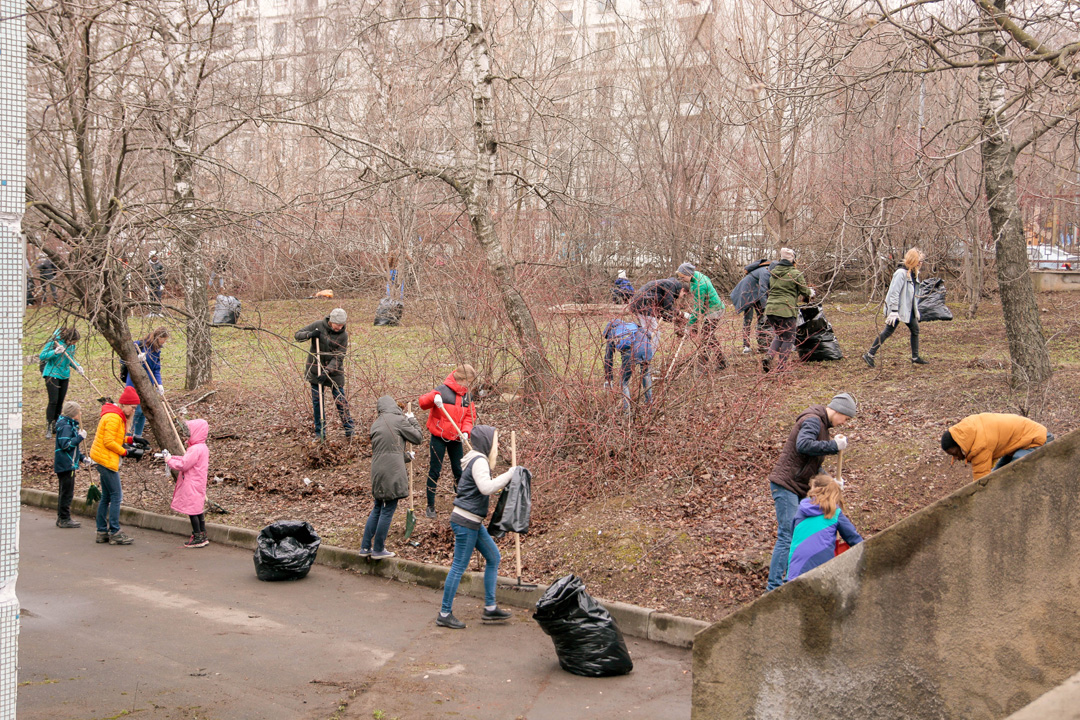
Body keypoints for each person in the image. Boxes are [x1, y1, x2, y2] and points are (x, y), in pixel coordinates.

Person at [766, 392, 857, 591]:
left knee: (800, 534)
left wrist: (831, 483)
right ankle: (773, 589)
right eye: (846, 418)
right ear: (838, 410)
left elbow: (812, 466)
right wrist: (834, 446)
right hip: (787, 484)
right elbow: (804, 445)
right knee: (787, 534)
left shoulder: (822, 426)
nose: (844, 422)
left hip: (799, 485)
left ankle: (793, 581)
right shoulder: (813, 420)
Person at [437, 425, 519, 630]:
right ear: (487, 442)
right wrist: (510, 474)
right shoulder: (480, 461)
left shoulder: (475, 459)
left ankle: (490, 607)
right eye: (495, 440)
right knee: (458, 567)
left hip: (471, 521)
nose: (498, 444)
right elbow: (486, 487)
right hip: (465, 522)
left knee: (493, 557)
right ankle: (444, 613)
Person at [362, 396, 424, 559]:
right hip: (392, 471)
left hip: (377, 470)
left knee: (377, 507)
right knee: (388, 509)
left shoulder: (376, 423)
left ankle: (365, 547)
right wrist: (412, 420)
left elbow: (386, 451)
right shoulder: (398, 420)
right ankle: (378, 549)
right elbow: (418, 438)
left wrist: (405, 456)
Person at [89, 386, 147, 545]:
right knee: (116, 496)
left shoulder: (115, 415)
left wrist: (133, 440)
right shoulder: (114, 417)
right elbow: (109, 442)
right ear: (125, 404)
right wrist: (126, 452)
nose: (133, 411)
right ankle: (115, 531)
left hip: (102, 459)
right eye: (132, 407)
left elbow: (116, 437)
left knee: (107, 496)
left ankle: (101, 531)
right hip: (106, 461)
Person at [418, 365, 477, 518]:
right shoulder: (442, 391)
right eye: (468, 382)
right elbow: (422, 403)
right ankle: (430, 505)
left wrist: (466, 430)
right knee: (435, 470)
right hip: (439, 436)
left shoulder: (467, 397)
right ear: (461, 379)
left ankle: (463, 501)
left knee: (459, 470)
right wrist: (433, 398)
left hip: (456, 437)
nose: (469, 386)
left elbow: (470, 416)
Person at [786, 473, 863, 583]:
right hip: (821, 571)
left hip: (795, 570)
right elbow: (854, 538)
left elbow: (793, 534)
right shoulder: (835, 513)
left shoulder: (800, 510)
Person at [294, 308, 355, 439]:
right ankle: (320, 433)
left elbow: (339, 356)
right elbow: (297, 335)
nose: (339, 327)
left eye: (341, 325)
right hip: (316, 369)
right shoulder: (317, 326)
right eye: (337, 325)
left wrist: (327, 371)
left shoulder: (343, 335)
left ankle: (349, 429)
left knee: (340, 399)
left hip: (334, 372)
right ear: (331, 321)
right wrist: (310, 335)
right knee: (317, 402)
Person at [863, 248, 928, 367]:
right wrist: (893, 311)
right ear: (913, 260)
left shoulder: (913, 273)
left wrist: (916, 309)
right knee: (888, 331)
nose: (921, 263)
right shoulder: (901, 273)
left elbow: (912, 295)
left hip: (908, 309)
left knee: (915, 330)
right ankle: (869, 354)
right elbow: (894, 292)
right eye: (919, 260)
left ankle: (915, 357)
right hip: (898, 310)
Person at [941, 413, 1052, 481]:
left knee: (1016, 468)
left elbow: (981, 481)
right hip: (1018, 444)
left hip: (1036, 439)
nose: (956, 458)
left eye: (955, 454)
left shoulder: (979, 446)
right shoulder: (968, 430)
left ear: (960, 444)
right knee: (997, 474)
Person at [763, 247, 813, 373]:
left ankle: (769, 356)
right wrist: (811, 292)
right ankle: (781, 367)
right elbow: (804, 291)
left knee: (780, 335)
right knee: (789, 338)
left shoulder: (773, 272)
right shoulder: (795, 274)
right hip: (786, 309)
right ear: (793, 260)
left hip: (770, 309)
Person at [163, 419, 211, 549]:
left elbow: (184, 464)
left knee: (192, 510)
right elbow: (186, 460)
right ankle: (203, 534)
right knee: (198, 509)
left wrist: (169, 461)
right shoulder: (202, 447)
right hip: (199, 482)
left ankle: (198, 536)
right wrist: (173, 457)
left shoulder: (194, 449)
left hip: (191, 482)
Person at [675, 262, 727, 371]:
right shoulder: (697, 276)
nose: (682, 280)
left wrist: (689, 324)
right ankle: (722, 362)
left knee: (706, 338)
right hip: (710, 310)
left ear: (689, 274)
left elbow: (699, 309)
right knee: (709, 337)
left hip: (714, 311)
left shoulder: (700, 285)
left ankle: (703, 366)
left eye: (683, 277)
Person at [124, 327, 169, 439]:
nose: (163, 342)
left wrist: (159, 384)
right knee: (136, 410)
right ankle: (127, 435)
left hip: (147, 385)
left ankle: (137, 436)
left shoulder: (157, 351)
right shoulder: (139, 345)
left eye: (165, 340)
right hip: (134, 384)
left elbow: (156, 369)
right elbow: (124, 360)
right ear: (156, 337)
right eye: (161, 340)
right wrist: (136, 359)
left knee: (144, 411)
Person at [602, 318, 655, 410]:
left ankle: (627, 412)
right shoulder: (633, 325)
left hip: (631, 353)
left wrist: (609, 379)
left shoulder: (612, 333)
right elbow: (649, 335)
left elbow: (608, 358)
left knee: (624, 382)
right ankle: (650, 404)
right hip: (647, 348)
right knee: (646, 375)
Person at [40, 326, 82, 438]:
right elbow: (42, 356)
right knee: (53, 400)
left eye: (75, 343)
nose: (73, 344)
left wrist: (77, 367)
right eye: (72, 342)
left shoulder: (71, 346)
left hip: (64, 375)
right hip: (52, 373)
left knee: (60, 401)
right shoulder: (55, 342)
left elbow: (70, 359)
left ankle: (57, 425)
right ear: (67, 338)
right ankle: (49, 426)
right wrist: (54, 352)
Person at [54, 400, 90, 529]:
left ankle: (62, 517)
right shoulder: (66, 427)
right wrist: (79, 437)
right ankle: (64, 518)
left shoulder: (69, 425)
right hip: (66, 465)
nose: (80, 413)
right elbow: (66, 445)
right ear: (73, 413)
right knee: (66, 492)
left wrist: (82, 458)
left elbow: (73, 449)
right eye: (79, 411)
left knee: (65, 491)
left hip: (69, 463)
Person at [627, 277, 690, 342]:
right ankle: (648, 351)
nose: (682, 296)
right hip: (644, 306)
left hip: (640, 305)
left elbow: (660, 312)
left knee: (649, 333)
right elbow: (667, 307)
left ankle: (645, 349)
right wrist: (682, 314)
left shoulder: (667, 286)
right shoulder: (671, 286)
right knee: (654, 334)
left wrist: (672, 319)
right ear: (682, 290)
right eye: (684, 294)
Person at [730, 258, 772, 354]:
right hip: (747, 294)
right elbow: (763, 289)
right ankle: (746, 346)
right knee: (748, 319)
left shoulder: (766, 270)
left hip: (755, 294)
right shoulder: (765, 271)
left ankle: (762, 345)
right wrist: (765, 306)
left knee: (761, 319)